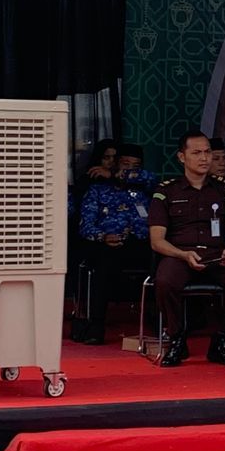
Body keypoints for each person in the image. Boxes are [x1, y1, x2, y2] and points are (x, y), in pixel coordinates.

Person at [148, 131, 225, 367]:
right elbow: (156, 241)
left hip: (216, 255)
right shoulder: (166, 191)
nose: (204, 158)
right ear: (182, 157)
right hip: (179, 255)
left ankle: (222, 339)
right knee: (165, 282)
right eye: (197, 153)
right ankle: (176, 338)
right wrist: (183, 254)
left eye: (207, 152)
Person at [75, 143, 153, 345]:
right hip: (108, 244)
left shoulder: (145, 188)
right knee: (104, 262)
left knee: (165, 260)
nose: (130, 169)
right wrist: (103, 236)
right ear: (115, 163)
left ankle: (162, 323)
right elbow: (85, 226)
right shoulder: (97, 190)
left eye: (135, 166)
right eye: (125, 164)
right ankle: (96, 326)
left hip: (142, 244)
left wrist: (116, 175)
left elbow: (152, 178)